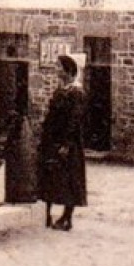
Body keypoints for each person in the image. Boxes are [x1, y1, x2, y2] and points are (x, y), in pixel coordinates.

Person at [38, 53, 89, 231]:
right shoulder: (60, 91)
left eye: (59, 67)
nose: (56, 70)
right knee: (50, 177)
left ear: (68, 71)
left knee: (69, 180)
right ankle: (47, 215)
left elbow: (74, 121)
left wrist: (66, 144)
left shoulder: (76, 93)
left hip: (68, 144)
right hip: (52, 141)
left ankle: (67, 217)